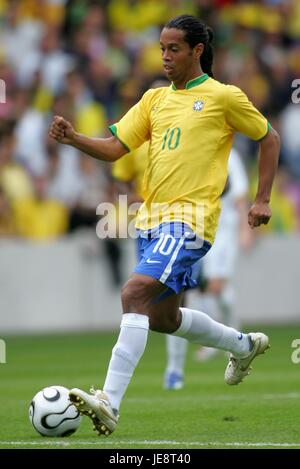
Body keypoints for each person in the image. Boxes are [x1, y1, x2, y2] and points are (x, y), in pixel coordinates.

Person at [49, 14, 280, 436]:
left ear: (196, 51)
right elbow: (116, 148)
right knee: (163, 318)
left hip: (191, 221)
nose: (165, 57)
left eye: (174, 49)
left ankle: (109, 402)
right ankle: (242, 346)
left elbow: (269, 137)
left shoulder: (223, 96)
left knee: (133, 293)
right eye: (161, 49)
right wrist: (74, 138)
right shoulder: (154, 100)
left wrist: (262, 198)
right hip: (151, 222)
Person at [164, 148, 253, 390]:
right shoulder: (190, 147)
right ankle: (225, 342)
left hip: (223, 229)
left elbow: (238, 193)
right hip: (193, 228)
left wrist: (245, 229)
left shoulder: (229, 154)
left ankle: (232, 339)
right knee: (185, 293)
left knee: (215, 287)